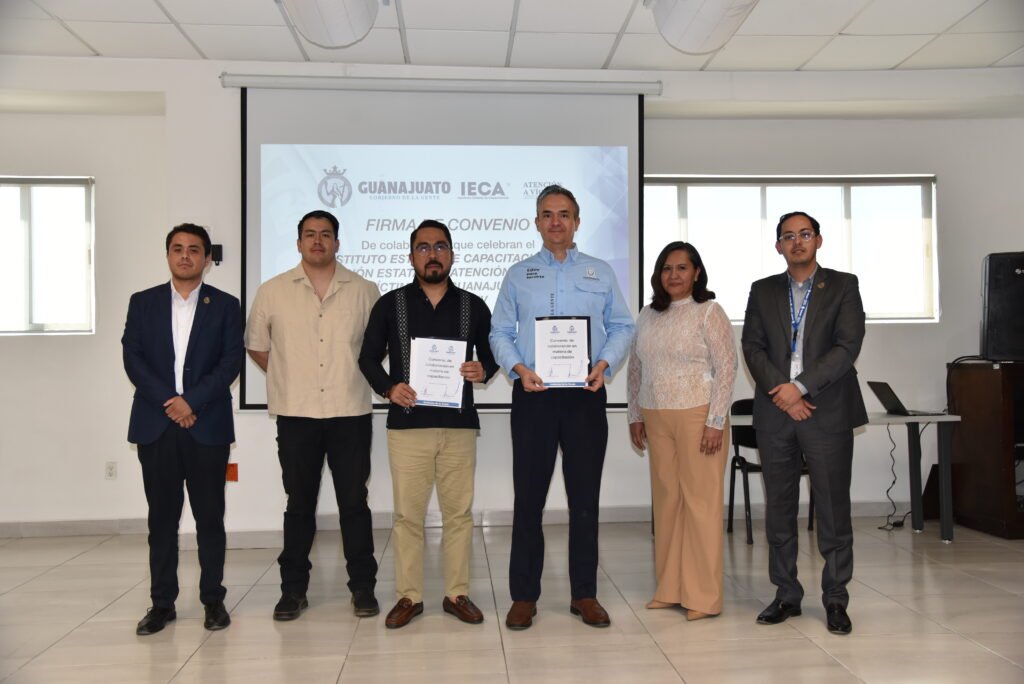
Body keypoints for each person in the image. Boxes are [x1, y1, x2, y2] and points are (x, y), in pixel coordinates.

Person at [490, 184, 635, 630]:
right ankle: (524, 597)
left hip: (585, 396)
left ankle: (584, 594)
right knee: (528, 500)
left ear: (577, 221)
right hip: (533, 395)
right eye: (548, 214)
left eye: (565, 214)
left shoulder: (601, 272)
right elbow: (498, 332)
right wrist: (518, 368)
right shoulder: (517, 274)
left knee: (584, 501)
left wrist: (605, 363)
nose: (556, 221)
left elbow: (623, 325)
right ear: (536, 222)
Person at [358, 220, 499, 629]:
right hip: (407, 426)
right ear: (411, 256)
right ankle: (409, 597)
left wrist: (481, 369)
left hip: (458, 426)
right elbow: (367, 358)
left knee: (458, 515)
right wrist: (388, 388)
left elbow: (493, 356)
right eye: (423, 247)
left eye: (440, 247)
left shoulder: (474, 305)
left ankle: (457, 594)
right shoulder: (390, 304)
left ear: (451, 254)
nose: (432, 254)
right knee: (407, 517)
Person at [245, 209, 380, 621]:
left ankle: (362, 589)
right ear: (299, 242)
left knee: (354, 505)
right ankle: (293, 591)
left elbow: (376, 350)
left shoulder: (364, 290)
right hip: (296, 415)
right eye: (310, 234)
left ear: (338, 242)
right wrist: (292, 375)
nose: (318, 241)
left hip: (349, 412)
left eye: (326, 235)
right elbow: (258, 347)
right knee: (299, 505)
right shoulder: (272, 291)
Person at [741, 211, 867, 636]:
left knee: (832, 508)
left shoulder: (844, 285)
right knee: (779, 509)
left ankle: (835, 599)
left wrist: (802, 387)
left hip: (825, 410)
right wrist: (784, 391)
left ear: (818, 240)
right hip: (777, 411)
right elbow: (752, 346)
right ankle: (786, 595)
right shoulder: (762, 291)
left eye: (805, 234)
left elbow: (847, 345)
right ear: (778, 245)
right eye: (788, 236)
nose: (797, 242)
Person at [122, 223, 244, 635]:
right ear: (168, 255)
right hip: (156, 426)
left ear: (207, 259)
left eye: (195, 249)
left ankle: (213, 600)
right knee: (162, 520)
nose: (186, 255)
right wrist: (171, 403)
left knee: (210, 518)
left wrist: (191, 401)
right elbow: (133, 360)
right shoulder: (143, 303)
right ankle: (162, 604)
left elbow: (230, 362)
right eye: (178, 248)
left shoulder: (226, 306)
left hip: (206, 424)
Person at [627, 241, 736, 621]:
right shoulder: (647, 315)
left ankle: (704, 597)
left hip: (698, 416)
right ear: (658, 275)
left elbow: (727, 369)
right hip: (656, 415)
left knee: (701, 506)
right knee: (668, 504)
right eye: (667, 268)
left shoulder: (710, 312)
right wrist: (634, 415)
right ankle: (670, 588)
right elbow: (637, 368)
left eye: (682, 268)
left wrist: (715, 421)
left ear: (697, 273)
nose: (673, 275)